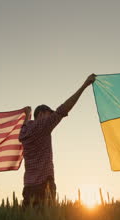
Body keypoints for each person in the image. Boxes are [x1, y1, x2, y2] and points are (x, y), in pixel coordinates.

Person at [19, 74, 96, 207]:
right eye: (49, 113)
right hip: (44, 186)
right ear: (42, 113)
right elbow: (64, 109)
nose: (51, 115)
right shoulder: (43, 125)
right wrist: (84, 85)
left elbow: (25, 124)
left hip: (28, 187)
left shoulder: (24, 131)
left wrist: (27, 115)